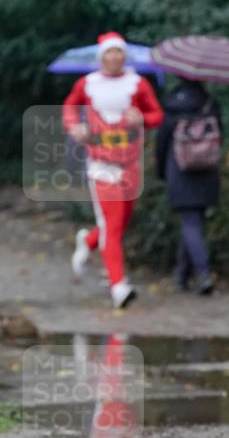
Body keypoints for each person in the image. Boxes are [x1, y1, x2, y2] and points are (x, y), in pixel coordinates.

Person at [63, 32, 164, 308]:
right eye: (109, 52)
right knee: (113, 225)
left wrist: (142, 118)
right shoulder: (87, 84)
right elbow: (70, 108)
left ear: (124, 56)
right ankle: (118, 285)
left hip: (130, 163)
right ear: (101, 57)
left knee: (119, 222)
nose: (114, 57)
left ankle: (89, 240)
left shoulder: (138, 84)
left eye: (118, 52)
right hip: (100, 164)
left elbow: (157, 115)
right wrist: (75, 127)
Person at [155, 78, 222, 294]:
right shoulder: (210, 103)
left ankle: (203, 274)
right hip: (207, 170)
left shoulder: (172, 105)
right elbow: (220, 136)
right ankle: (182, 274)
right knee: (194, 221)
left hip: (179, 171)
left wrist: (161, 172)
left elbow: (162, 142)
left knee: (190, 223)